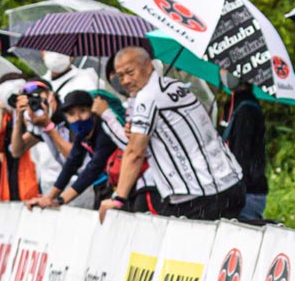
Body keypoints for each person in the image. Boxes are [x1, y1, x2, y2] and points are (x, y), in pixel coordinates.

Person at [100, 47, 244, 223]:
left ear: (147, 65)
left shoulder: (148, 97)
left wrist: (118, 199)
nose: (125, 81)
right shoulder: (174, 85)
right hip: (229, 182)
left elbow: (134, 152)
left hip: (199, 193)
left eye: (130, 72)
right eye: (120, 76)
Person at [27, 90, 116, 211]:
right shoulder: (82, 135)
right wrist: (50, 197)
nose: (78, 118)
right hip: (103, 186)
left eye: (83, 111)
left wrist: (60, 200)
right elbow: (71, 163)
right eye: (71, 114)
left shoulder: (104, 132)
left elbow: (92, 170)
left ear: (93, 111)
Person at [11, 79, 73, 196]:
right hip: (59, 184)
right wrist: (18, 118)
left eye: (40, 99)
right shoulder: (39, 123)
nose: (37, 105)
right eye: (31, 102)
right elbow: (17, 151)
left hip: (86, 182)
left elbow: (73, 157)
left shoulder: (70, 115)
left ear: (52, 96)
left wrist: (48, 126)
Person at [0, 73, 39, 202]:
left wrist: (25, 113)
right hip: (10, 183)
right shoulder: (6, 119)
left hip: (31, 181)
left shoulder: (35, 114)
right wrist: (0, 111)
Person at [222, 78, 268, 222]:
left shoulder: (245, 109)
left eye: (225, 69)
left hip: (246, 194)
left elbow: (241, 153)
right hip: (244, 191)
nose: (221, 73)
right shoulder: (236, 105)